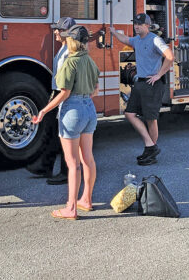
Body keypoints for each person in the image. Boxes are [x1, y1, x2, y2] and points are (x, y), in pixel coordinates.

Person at [33, 25, 100, 220]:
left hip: (72, 111)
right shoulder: (89, 60)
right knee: (87, 158)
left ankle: (71, 208)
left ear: (71, 41)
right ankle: (86, 199)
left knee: (72, 165)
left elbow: (64, 93)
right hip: (89, 109)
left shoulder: (70, 62)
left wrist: (44, 111)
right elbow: (96, 88)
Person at [110, 13, 174, 165]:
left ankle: (151, 152)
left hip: (152, 84)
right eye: (135, 24)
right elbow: (125, 39)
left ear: (147, 25)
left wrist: (159, 75)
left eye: (140, 24)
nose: (136, 26)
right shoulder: (137, 39)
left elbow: (170, 56)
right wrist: (113, 32)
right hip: (140, 82)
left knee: (151, 119)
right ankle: (150, 145)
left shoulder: (155, 40)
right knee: (129, 113)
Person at [45, 16, 76, 185]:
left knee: (65, 134)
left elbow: (67, 85)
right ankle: (45, 167)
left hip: (64, 95)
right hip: (57, 91)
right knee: (52, 130)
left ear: (67, 33)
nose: (55, 31)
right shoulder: (62, 47)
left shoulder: (69, 53)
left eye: (58, 29)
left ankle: (65, 172)